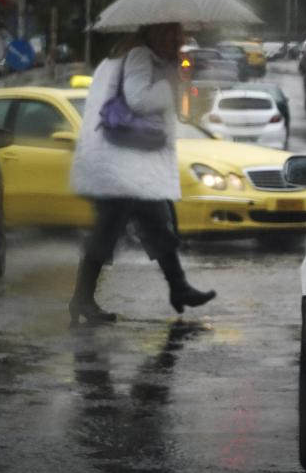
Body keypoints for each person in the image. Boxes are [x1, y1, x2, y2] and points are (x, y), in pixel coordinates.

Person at [67, 22, 215, 326]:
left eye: (178, 35)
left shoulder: (137, 57)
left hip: (130, 162)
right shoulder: (139, 56)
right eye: (169, 34)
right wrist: (167, 85)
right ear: (153, 33)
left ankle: (179, 288)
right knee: (109, 230)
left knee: (156, 224)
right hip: (123, 167)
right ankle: (82, 299)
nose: (175, 40)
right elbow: (138, 100)